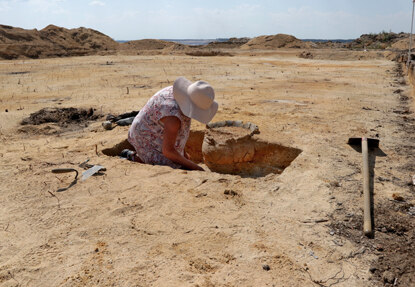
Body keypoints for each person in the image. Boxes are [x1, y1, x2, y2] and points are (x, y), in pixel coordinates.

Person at [122, 77, 218, 171]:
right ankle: (133, 158)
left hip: (155, 127)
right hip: (143, 134)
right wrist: (195, 167)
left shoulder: (179, 97)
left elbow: (178, 135)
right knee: (172, 166)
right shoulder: (173, 117)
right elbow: (168, 151)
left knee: (181, 160)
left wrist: (183, 155)